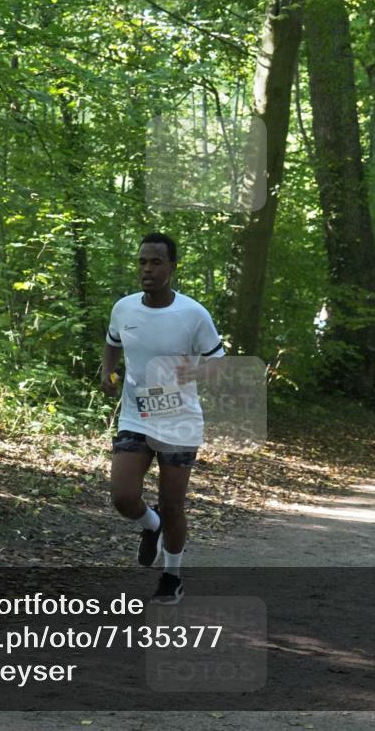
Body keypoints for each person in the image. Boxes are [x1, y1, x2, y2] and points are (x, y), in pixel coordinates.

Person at [100, 232, 225, 605]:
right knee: (123, 496)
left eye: (156, 262)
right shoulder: (124, 308)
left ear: (172, 267)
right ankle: (149, 525)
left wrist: (183, 376)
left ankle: (172, 576)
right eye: (142, 262)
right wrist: (107, 369)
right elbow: (112, 341)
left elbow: (217, 365)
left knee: (173, 505)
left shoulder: (193, 314)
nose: (147, 269)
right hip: (136, 417)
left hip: (179, 420)